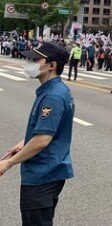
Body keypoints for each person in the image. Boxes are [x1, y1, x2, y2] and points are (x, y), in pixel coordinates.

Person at [0, 42, 74, 225]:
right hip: (48, 171)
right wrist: (25, 141)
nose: (29, 63)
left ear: (51, 65)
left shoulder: (53, 96)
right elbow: (47, 129)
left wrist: (8, 163)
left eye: (35, 59)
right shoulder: (55, 90)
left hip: (42, 174)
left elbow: (42, 139)